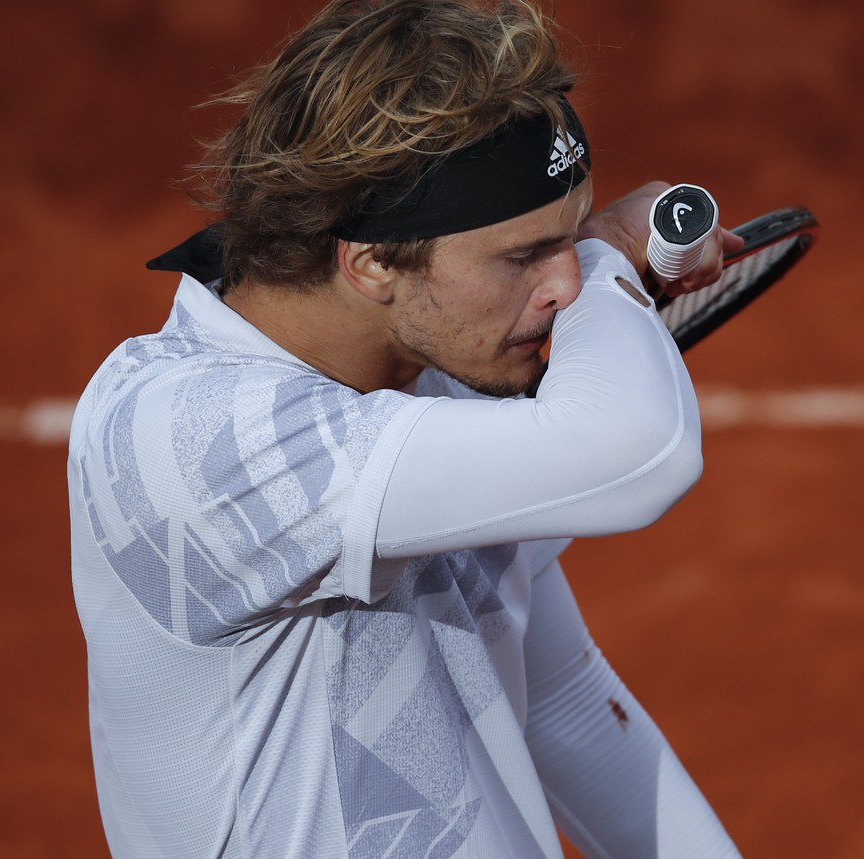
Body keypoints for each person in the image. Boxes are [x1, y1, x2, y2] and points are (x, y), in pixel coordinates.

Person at [67, 1, 744, 856]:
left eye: (571, 235)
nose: (563, 285)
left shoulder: (440, 375)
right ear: (373, 259)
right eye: (522, 254)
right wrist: (612, 260)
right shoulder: (195, 434)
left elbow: (560, 694)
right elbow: (638, 449)